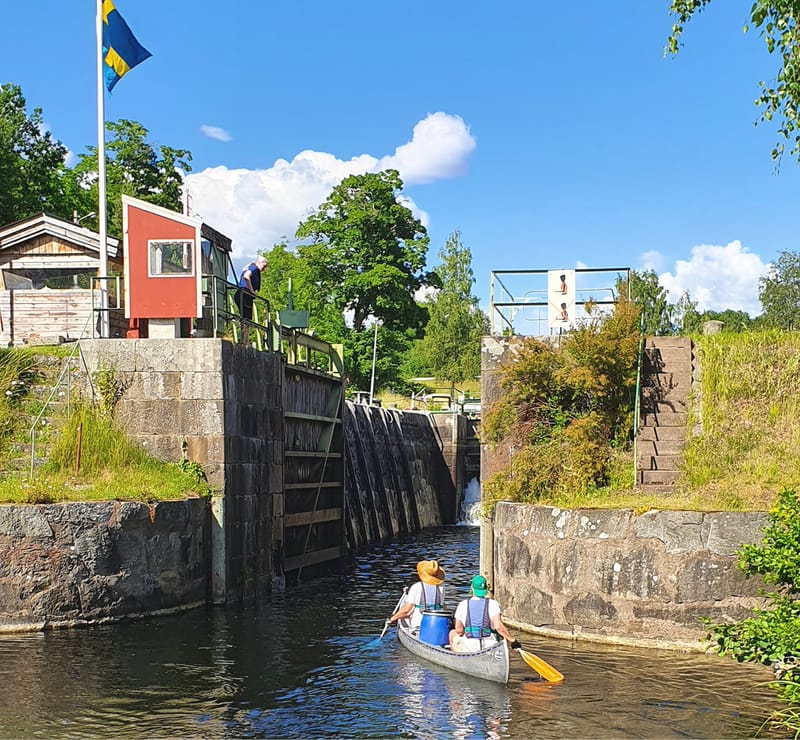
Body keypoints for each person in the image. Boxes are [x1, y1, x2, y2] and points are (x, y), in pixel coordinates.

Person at [448, 574, 521, 653]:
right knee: (501, 637)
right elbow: (499, 627)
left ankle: (459, 660)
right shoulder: (493, 604)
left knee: (452, 633)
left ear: (472, 588)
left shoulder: (463, 604)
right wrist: (512, 640)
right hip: (491, 646)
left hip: (470, 646)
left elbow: (459, 630)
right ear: (486, 588)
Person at [388, 559, 446, 630]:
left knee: (412, 610)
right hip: (436, 624)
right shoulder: (442, 588)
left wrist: (391, 619)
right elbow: (442, 606)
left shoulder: (416, 587)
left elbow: (407, 610)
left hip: (418, 625)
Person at [237, 256, 268, 344]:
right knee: (246, 318)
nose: (264, 269)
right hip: (245, 294)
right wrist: (251, 291)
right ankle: (244, 342)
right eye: (264, 266)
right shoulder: (254, 268)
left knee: (246, 318)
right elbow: (247, 276)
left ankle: (245, 341)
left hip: (245, 295)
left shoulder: (253, 268)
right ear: (259, 262)